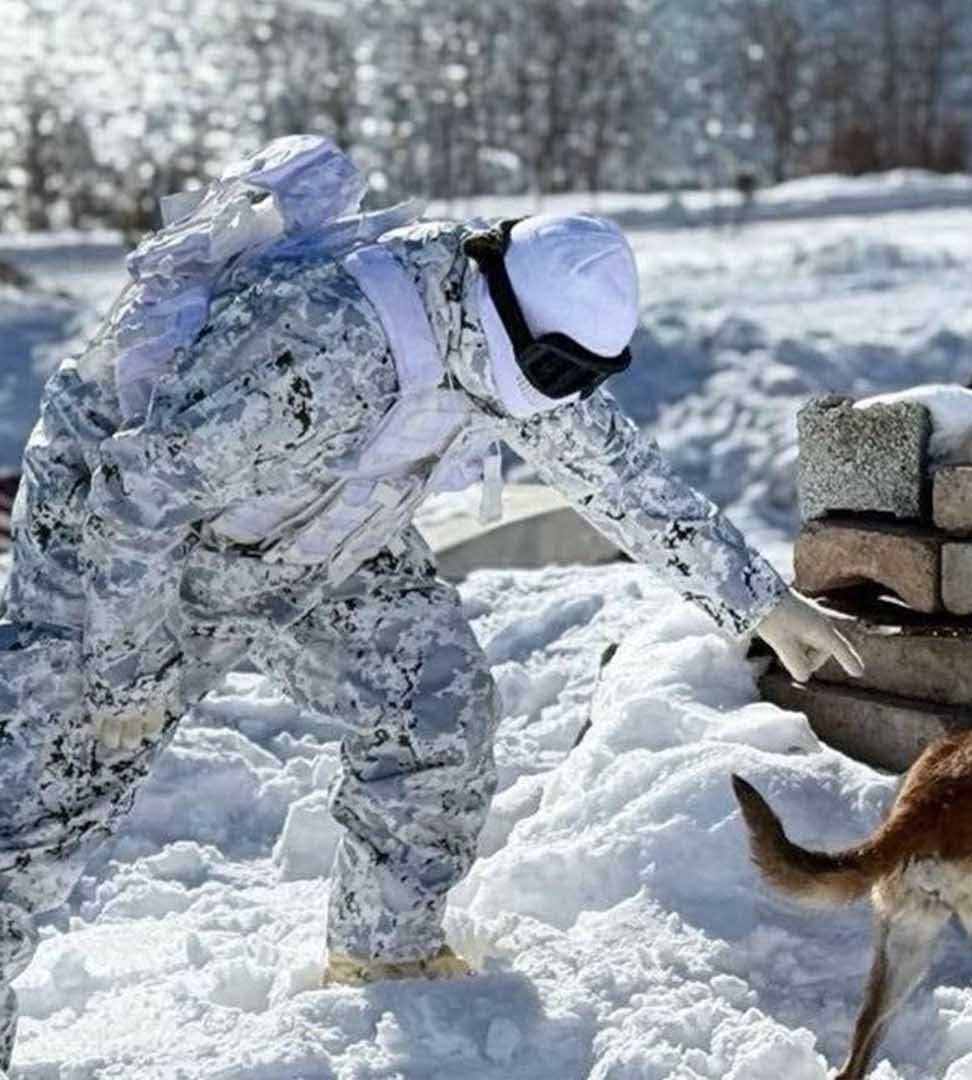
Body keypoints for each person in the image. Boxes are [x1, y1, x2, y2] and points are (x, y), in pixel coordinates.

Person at [0, 137, 860, 1069]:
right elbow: (136, 493)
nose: (565, 396)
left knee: (435, 707)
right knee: (34, 820)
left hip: (309, 528)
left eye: (583, 377)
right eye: (560, 373)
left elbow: (617, 477)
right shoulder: (328, 352)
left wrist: (760, 602)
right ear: (512, 327)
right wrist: (123, 673)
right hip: (113, 551)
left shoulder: (504, 326)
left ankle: (384, 951)